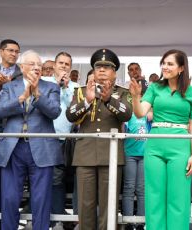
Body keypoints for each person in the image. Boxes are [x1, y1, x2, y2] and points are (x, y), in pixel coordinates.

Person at [130, 49, 192, 230]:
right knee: (154, 196)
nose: (165, 67)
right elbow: (140, 112)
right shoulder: (155, 87)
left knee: (179, 197)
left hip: (181, 145)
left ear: (181, 68)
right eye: (163, 63)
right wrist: (135, 96)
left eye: (170, 64)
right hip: (155, 144)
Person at [0, 50, 63, 230]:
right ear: (22, 67)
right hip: (13, 147)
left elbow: (55, 112)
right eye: (32, 64)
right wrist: (23, 97)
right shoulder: (10, 87)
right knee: (9, 197)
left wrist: (37, 94)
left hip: (41, 147)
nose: (36, 68)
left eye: (39, 65)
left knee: (41, 198)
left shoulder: (51, 87)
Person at [66, 48, 132, 230]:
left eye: (107, 67)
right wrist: (87, 101)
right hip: (85, 154)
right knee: (85, 206)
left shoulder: (122, 93)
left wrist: (108, 99)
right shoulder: (80, 91)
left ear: (114, 72)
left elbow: (126, 115)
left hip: (110, 156)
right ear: (93, 71)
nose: (102, 70)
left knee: (108, 206)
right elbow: (70, 116)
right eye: (98, 66)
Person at [41, 51, 77, 229]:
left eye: (67, 64)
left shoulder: (76, 86)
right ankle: (52, 219)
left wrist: (67, 88)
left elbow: (76, 112)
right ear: (54, 65)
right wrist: (57, 85)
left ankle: (59, 219)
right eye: (60, 63)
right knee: (46, 179)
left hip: (67, 141)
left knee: (59, 179)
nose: (63, 66)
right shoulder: (44, 82)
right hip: (45, 138)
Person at [122, 82, 150, 230]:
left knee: (141, 189)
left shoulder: (148, 113)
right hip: (130, 154)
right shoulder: (128, 113)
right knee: (129, 187)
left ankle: (140, 222)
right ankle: (128, 221)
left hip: (145, 155)